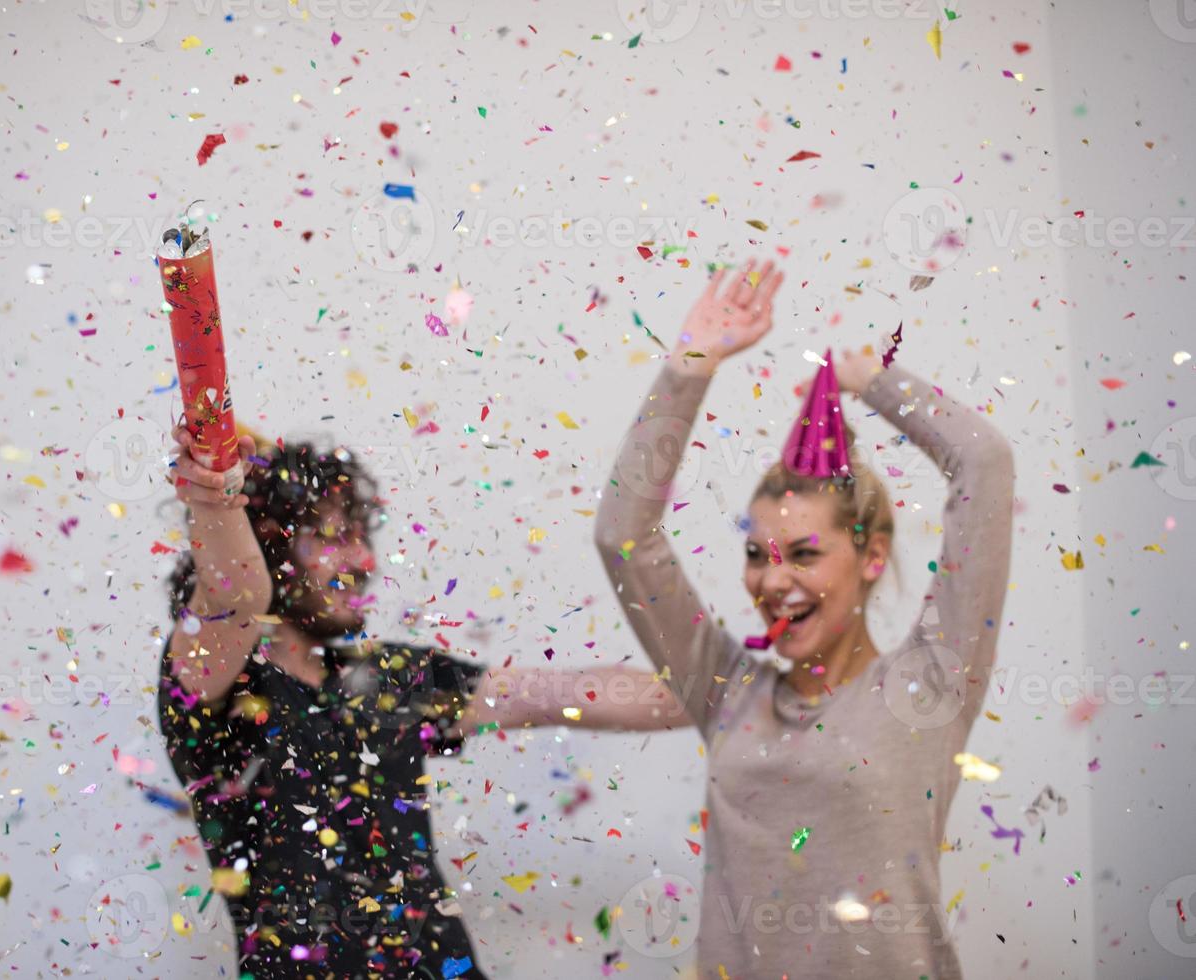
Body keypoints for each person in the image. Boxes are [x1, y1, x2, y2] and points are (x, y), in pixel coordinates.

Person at [594, 258, 1016, 978]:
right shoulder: (726, 691)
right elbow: (621, 537)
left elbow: (982, 464)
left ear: (871, 556)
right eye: (757, 555)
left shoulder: (928, 684)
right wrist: (691, 362)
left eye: (803, 553)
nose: (772, 579)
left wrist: (873, 381)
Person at [158, 426, 689, 980]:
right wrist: (217, 495)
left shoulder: (388, 676)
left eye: (363, 535)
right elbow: (235, 595)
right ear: (271, 539)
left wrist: (747, 692)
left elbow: (573, 695)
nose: (364, 558)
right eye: (337, 535)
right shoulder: (216, 684)